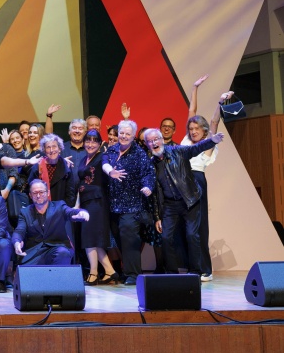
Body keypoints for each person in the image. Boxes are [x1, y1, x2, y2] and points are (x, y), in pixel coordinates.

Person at [144, 127, 225, 280]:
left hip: (189, 201)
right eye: (150, 141)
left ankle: (195, 272)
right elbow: (155, 194)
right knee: (166, 238)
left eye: (156, 139)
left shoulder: (177, 151)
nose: (154, 143)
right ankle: (172, 274)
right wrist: (157, 217)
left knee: (192, 235)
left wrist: (212, 141)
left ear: (162, 140)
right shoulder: (151, 164)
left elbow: (196, 148)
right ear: (147, 144)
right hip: (169, 205)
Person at [184, 75, 233, 281]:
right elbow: (191, 112)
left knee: (198, 229)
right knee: (186, 230)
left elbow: (214, 121)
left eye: (197, 129)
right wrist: (195, 87)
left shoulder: (209, 142)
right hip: (181, 182)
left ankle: (205, 269)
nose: (193, 131)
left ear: (204, 131)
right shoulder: (187, 140)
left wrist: (220, 103)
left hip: (196, 181)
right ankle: (191, 267)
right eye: (191, 128)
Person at [102, 120, 155, 285]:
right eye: (122, 133)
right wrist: (111, 171)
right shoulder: (111, 150)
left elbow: (148, 173)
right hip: (113, 204)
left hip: (132, 205)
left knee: (129, 238)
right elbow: (104, 162)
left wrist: (148, 186)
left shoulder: (139, 153)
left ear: (133, 136)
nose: (124, 136)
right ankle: (128, 270)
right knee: (118, 238)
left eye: (127, 134)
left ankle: (133, 274)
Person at [13, 179, 89, 265]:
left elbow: (70, 211)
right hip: (34, 253)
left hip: (57, 247)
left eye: (41, 192)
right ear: (30, 195)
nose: (38, 195)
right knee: (23, 274)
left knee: (63, 253)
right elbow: (19, 230)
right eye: (35, 193)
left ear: (48, 193)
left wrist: (81, 212)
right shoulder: (25, 212)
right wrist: (16, 242)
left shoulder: (59, 206)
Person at [77, 130, 118, 284]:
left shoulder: (102, 156)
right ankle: (110, 271)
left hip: (97, 202)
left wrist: (111, 172)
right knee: (92, 239)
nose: (90, 144)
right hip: (86, 202)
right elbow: (80, 183)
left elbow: (107, 166)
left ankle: (93, 273)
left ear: (100, 144)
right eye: (88, 140)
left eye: (94, 141)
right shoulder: (83, 160)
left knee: (89, 238)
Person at [27, 134, 77, 207]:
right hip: (41, 209)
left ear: (59, 149)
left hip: (61, 209)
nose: (51, 150)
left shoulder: (66, 166)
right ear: (44, 150)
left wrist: (65, 209)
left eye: (54, 146)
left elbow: (70, 193)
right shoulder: (38, 166)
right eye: (48, 147)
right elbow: (30, 190)